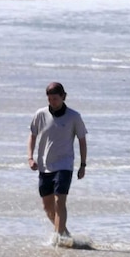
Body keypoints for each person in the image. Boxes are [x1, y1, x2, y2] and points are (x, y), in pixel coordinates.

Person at [27, 82, 87, 244]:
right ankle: (65, 235)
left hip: (64, 165)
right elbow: (32, 136)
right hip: (45, 166)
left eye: (55, 98)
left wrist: (83, 165)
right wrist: (30, 157)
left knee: (60, 201)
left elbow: (82, 140)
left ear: (63, 97)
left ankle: (57, 239)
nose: (52, 101)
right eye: (50, 98)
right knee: (48, 208)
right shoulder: (41, 114)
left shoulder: (74, 117)